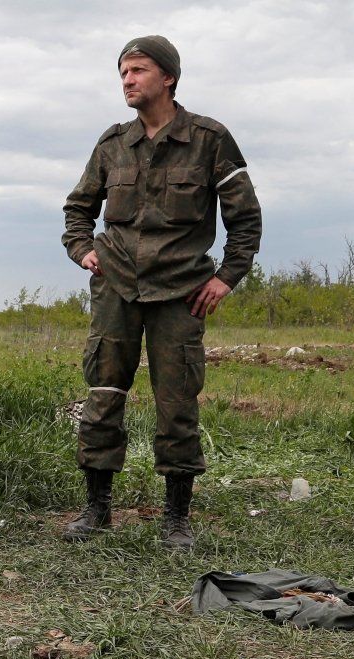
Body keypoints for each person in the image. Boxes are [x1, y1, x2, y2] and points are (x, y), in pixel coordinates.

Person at [60, 35, 262, 549]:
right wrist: (83, 249)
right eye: (122, 73)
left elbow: (245, 219)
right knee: (103, 394)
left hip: (180, 291)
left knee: (177, 401)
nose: (127, 80)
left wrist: (225, 277)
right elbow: (78, 209)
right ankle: (97, 508)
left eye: (138, 71)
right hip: (115, 288)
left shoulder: (209, 139)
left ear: (168, 77)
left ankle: (176, 518)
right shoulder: (112, 144)